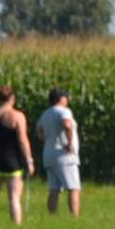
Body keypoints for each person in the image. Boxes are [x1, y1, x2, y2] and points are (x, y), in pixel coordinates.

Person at [0, 85, 34, 224]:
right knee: (14, 198)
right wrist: (29, 161)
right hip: (12, 161)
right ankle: (16, 227)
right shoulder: (17, 116)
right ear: (12, 98)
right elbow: (23, 140)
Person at [38, 87, 82, 217]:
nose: (67, 99)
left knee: (54, 189)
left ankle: (52, 216)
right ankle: (74, 218)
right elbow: (67, 125)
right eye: (65, 97)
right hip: (64, 155)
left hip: (49, 154)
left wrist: (47, 140)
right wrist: (69, 143)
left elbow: (38, 131)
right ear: (60, 99)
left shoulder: (45, 114)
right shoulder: (64, 111)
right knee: (74, 188)